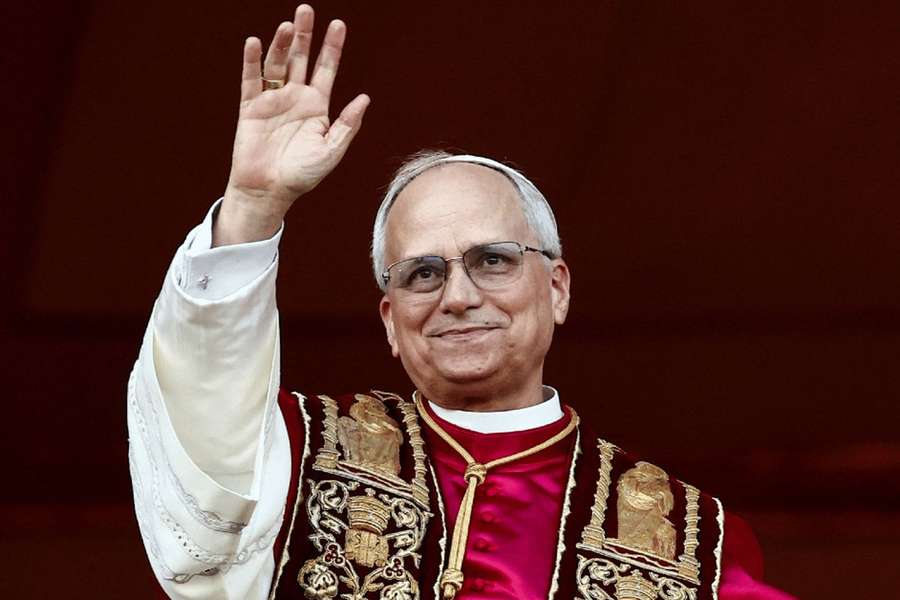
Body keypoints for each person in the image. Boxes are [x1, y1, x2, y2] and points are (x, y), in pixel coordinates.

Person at [127, 5, 795, 599]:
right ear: (390, 320)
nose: (458, 297)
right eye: (421, 274)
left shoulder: (682, 536)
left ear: (556, 287)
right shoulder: (298, 455)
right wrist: (252, 206)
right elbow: (201, 419)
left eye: (493, 261)